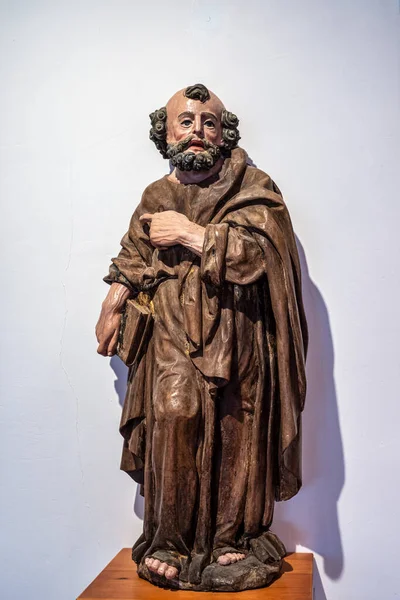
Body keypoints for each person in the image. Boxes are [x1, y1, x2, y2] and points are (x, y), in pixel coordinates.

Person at [95, 84, 308, 591]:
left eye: (209, 122)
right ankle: (168, 540)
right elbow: (132, 255)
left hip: (238, 331)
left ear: (224, 130)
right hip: (171, 329)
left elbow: (261, 258)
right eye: (186, 122)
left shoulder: (252, 186)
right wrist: (112, 303)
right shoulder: (156, 195)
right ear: (166, 132)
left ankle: (231, 538)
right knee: (174, 416)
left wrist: (192, 235)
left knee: (238, 428)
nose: (197, 132)